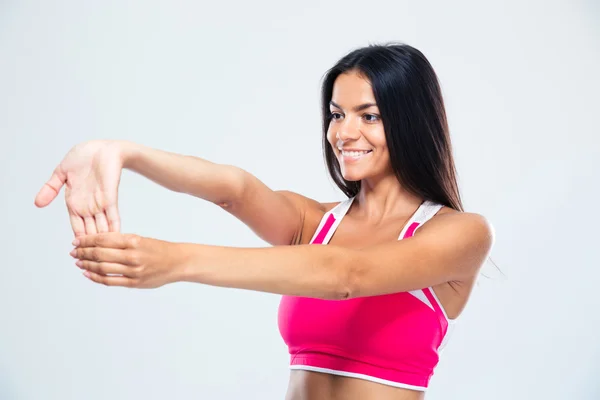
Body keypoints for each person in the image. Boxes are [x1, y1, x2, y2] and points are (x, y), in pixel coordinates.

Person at [34, 43, 494, 399]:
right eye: (337, 115)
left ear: (411, 123)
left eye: (368, 116)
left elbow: (346, 275)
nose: (343, 132)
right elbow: (234, 190)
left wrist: (175, 261)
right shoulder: (315, 223)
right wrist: (119, 152)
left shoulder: (460, 233)